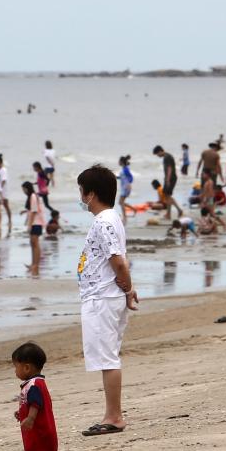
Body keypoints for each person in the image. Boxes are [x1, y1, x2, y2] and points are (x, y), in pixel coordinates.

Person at [76, 165, 138, 437]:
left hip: (103, 297)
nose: (80, 197)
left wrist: (128, 288)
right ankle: (112, 414)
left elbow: (118, 261)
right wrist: (127, 289)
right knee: (106, 356)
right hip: (103, 295)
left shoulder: (104, 221)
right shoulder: (110, 219)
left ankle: (114, 416)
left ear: (91, 194)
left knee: (107, 358)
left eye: (81, 191)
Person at [12, 341, 57, 451]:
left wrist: (30, 418)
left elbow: (36, 403)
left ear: (26, 367)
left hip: (39, 428)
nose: (15, 371)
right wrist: (22, 413)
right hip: (32, 428)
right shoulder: (31, 383)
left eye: (15, 367)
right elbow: (29, 403)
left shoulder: (35, 384)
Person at [152, 145, 182, 219]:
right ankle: (177, 210)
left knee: (167, 196)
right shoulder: (168, 156)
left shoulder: (166, 157)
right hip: (171, 178)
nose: (157, 156)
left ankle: (169, 214)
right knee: (167, 196)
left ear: (160, 151)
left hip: (170, 178)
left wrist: (167, 179)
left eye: (157, 154)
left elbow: (169, 168)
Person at [23, 181, 46, 271]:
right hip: (34, 223)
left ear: (27, 188)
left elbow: (34, 211)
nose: (23, 191)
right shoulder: (32, 196)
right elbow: (31, 210)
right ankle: (33, 264)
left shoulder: (33, 196)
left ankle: (36, 265)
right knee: (32, 243)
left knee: (35, 244)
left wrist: (29, 225)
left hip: (36, 223)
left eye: (24, 189)